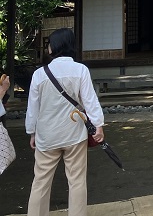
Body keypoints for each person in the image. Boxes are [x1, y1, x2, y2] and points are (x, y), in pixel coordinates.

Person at [25, 28, 104, 216]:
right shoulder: (80, 70)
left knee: (40, 181)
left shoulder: (39, 74)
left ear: (53, 47)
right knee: (77, 181)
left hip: (46, 136)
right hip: (74, 133)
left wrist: (32, 132)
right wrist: (98, 125)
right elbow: (90, 101)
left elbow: (33, 108)